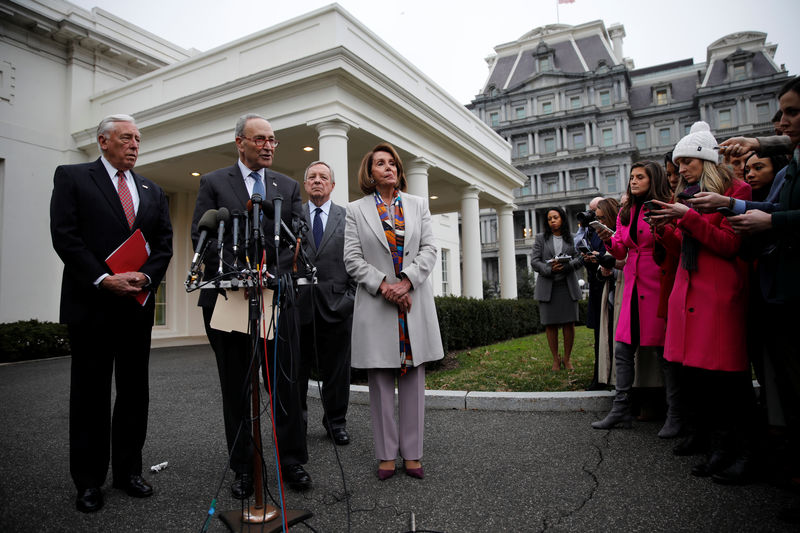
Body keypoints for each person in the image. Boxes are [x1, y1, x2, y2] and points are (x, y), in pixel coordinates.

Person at [50, 114, 173, 513]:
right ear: (103, 141)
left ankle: (128, 472)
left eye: (138, 138)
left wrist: (146, 277)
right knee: (90, 396)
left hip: (136, 308)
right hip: (92, 307)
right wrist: (104, 279)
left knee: (135, 394)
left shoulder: (152, 190)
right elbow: (65, 237)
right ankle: (88, 481)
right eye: (126, 138)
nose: (135, 145)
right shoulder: (72, 177)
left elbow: (164, 244)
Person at [191, 113, 310, 496]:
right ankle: (244, 468)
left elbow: (299, 241)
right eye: (260, 139)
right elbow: (204, 236)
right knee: (238, 387)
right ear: (240, 142)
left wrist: (271, 274)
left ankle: (292, 462)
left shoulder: (288, 186)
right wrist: (238, 272)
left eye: (273, 140)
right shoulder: (213, 183)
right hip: (230, 298)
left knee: (286, 385)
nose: (269, 146)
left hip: (277, 298)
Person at [650, 121, 753, 482]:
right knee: (701, 381)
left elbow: (729, 244)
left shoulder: (736, 190)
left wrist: (688, 218)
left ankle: (739, 451)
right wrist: (664, 228)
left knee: (728, 382)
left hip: (719, 296)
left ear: (705, 160)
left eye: (687, 162)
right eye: (678, 164)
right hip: (691, 295)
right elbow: (682, 249)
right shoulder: (687, 196)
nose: (681, 170)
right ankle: (716, 448)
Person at [344, 142, 443, 481]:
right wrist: (385, 286)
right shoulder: (355, 210)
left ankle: (413, 454)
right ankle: (387, 455)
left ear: (399, 170)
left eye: (392, 163)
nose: (387, 168)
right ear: (369, 173)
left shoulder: (417, 205)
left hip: (413, 303)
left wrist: (406, 282)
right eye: (379, 163)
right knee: (382, 381)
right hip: (378, 305)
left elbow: (430, 249)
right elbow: (352, 259)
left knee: (414, 380)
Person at [591, 161, 674, 434]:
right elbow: (619, 249)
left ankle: (675, 412)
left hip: (656, 280)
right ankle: (621, 409)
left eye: (640, 177)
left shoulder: (664, 205)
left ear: (654, 179)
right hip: (633, 282)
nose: (634, 181)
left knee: (664, 351)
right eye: (632, 177)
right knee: (623, 349)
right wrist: (606, 237)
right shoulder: (626, 211)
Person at [297, 161, 356, 446]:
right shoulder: (292, 216)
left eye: (323, 177)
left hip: (337, 307)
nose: (317, 181)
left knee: (337, 371)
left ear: (332, 185)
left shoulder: (348, 217)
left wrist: (351, 300)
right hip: (298, 307)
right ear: (305, 184)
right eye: (312, 177)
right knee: (296, 371)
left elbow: (359, 262)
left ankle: (335, 423)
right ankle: (298, 425)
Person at [531, 207, 583, 371]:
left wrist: (567, 266)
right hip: (548, 286)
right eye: (549, 219)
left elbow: (580, 258)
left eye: (555, 217)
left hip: (567, 286)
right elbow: (535, 261)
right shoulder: (541, 238)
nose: (552, 221)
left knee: (569, 324)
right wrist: (550, 269)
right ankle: (555, 359)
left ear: (562, 219)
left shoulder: (573, 238)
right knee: (550, 324)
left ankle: (567, 359)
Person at [577, 197, 608, 389]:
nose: (592, 215)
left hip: (607, 285)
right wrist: (586, 257)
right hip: (596, 285)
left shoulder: (607, 230)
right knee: (598, 334)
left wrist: (601, 258)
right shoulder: (589, 231)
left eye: (595, 210)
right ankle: (599, 375)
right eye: (590, 211)